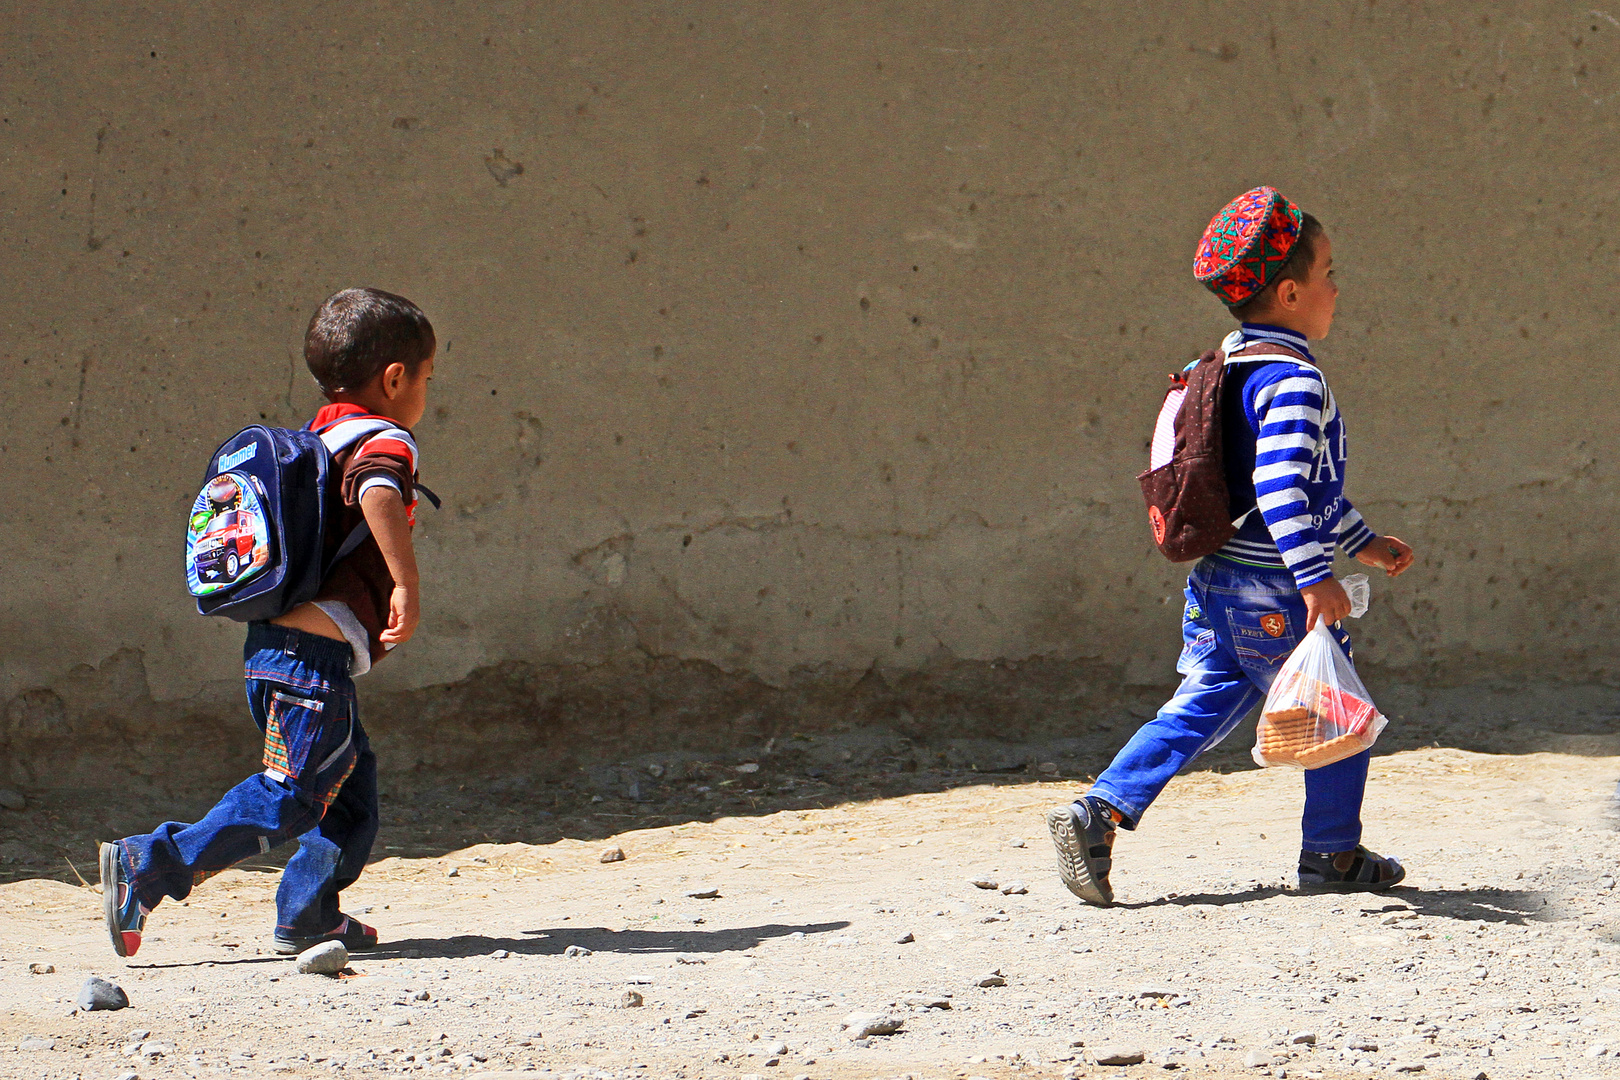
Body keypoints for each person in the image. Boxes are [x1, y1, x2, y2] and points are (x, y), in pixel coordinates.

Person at [1048, 187, 1416, 906]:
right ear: (1289, 291)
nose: (1338, 288)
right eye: (1330, 272)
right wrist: (1316, 580)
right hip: (1277, 590)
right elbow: (1283, 490)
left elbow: (1281, 489)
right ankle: (1332, 855)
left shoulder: (1224, 370)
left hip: (1218, 582)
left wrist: (1362, 542)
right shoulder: (1297, 381)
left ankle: (1097, 812)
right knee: (1336, 710)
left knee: (1203, 702)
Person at [99, 287, 436, 955]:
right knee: (292, 795)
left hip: (276, 651)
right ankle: (149, 863)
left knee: (347, 790)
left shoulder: (317, 437)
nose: (426, 391)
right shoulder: (381, 438)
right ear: (395, 378)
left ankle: (309, 914)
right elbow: (378, 488)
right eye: (426, 378)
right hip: (313, 664)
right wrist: (405, 580)